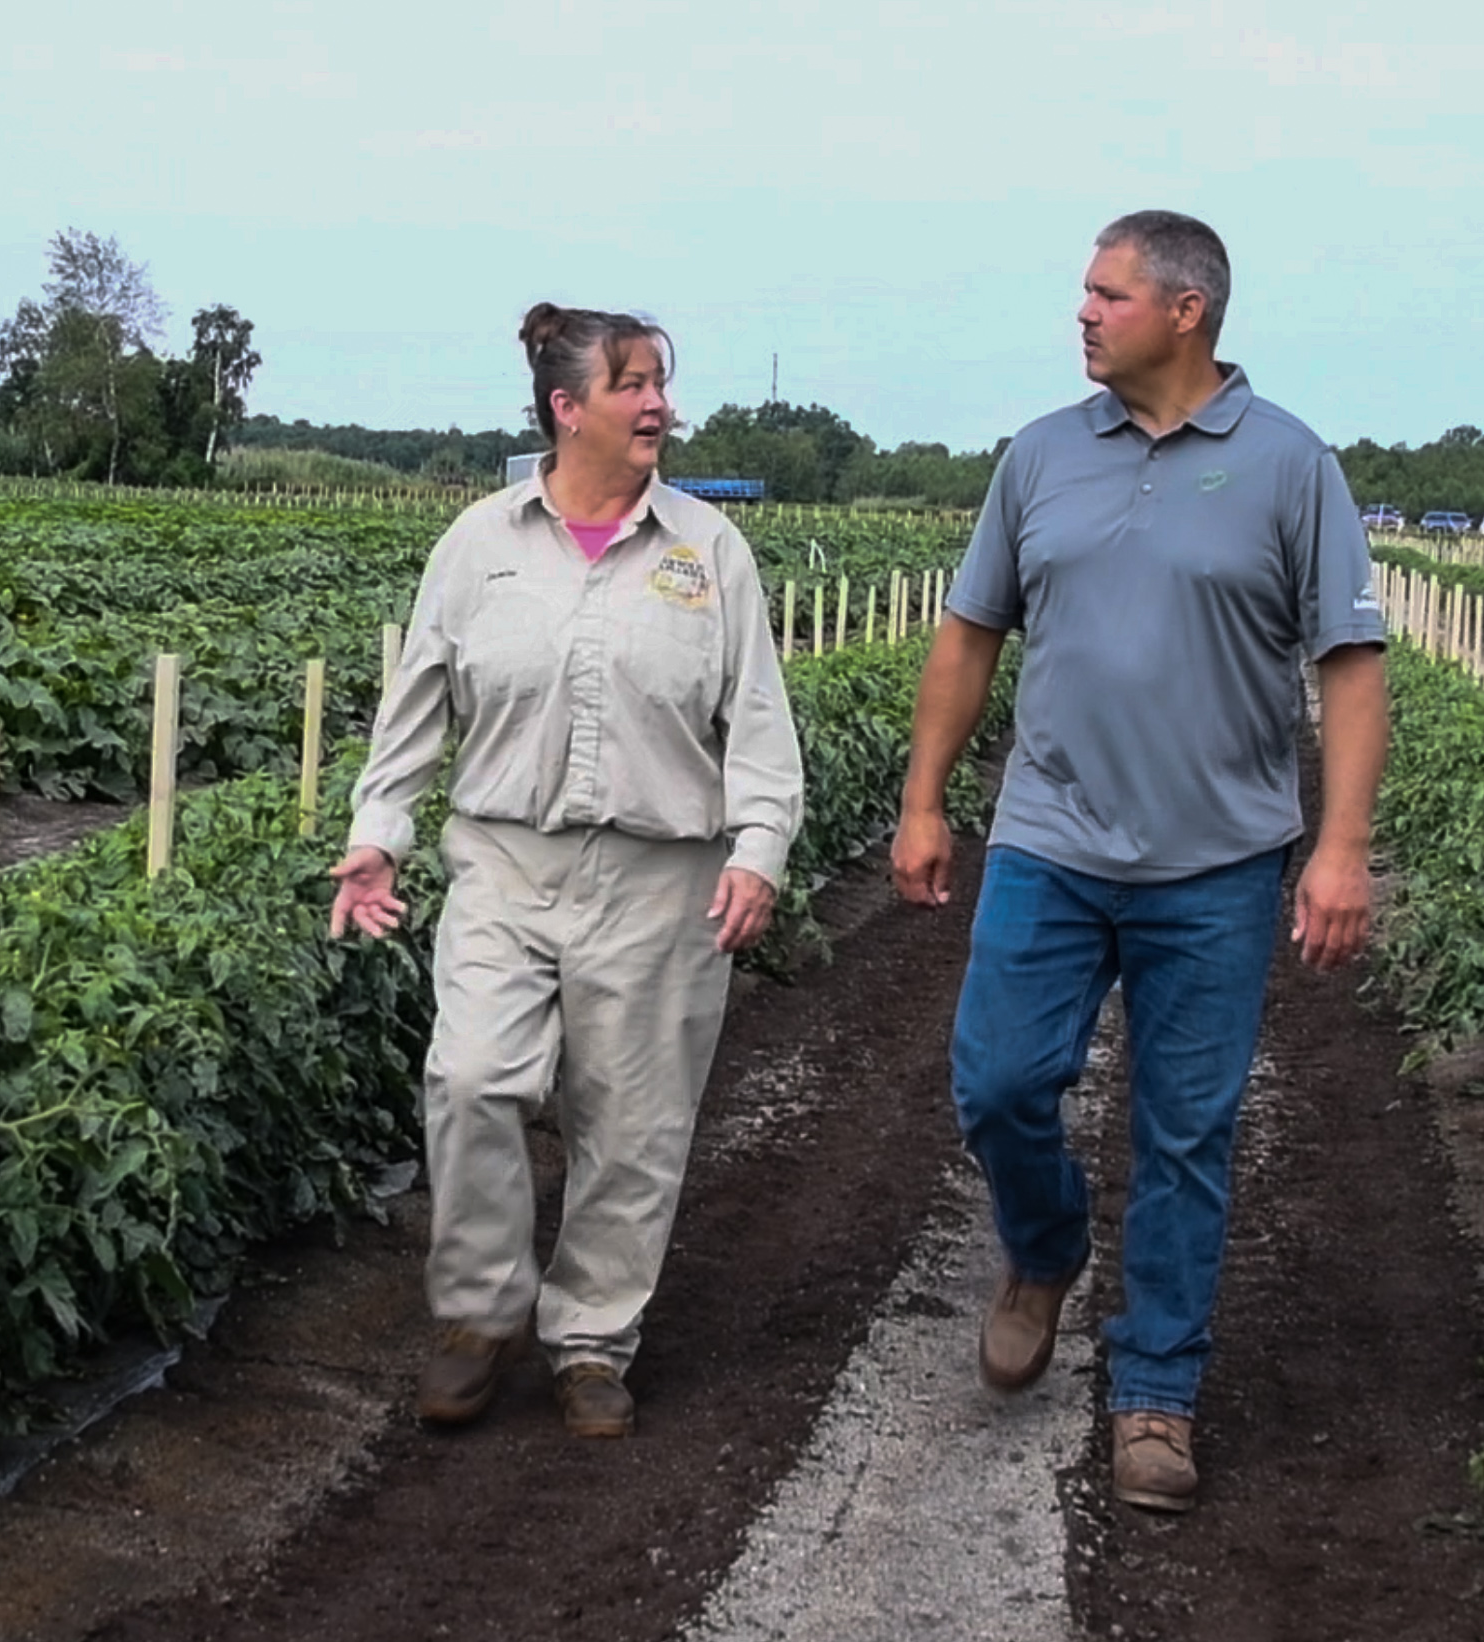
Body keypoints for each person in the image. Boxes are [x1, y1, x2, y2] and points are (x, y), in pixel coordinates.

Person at [890, 211, 1389, 1512]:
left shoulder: (1290, 466)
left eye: (1107, 294)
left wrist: (1339, 845)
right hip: (1049, 841)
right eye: (1085, 292)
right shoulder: (1041, 457)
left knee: (1186, 1135)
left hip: (1218, 863)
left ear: (1186, 311)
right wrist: (924, 798)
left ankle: (1157, 1390)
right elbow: (969, 635)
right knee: (997, 1080)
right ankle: (1043, 1247)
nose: (1084, 314)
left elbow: (1350, 665)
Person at [328, 303, 803, 1439]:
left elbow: (758, 723)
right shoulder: (480, 544)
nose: (658, 406)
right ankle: (480, 1314)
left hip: (661, 879)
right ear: (566, 406)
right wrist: (376, 832)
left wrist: (760, 850)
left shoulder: (708, 550)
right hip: (504, 861)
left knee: (633, 1120)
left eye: (660, 384)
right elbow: (416, 709)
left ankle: (592, 1340)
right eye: (634, 385)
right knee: (472, 1080)